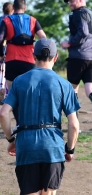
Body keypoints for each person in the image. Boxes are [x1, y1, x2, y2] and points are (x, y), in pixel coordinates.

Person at [0, 38, 80, 194]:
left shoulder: (19, 81)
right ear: (55, 57)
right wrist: (69, 149)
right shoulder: (64, 84)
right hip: (53, 147)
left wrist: (11, 140)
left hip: (26, 145)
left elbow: (3, 113)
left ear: (33, 55)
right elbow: (74, 124)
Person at [61, 0, 92, 137]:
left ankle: (75, 126)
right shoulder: (91, 14)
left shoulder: (78, 13)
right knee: (90, 89)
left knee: (72, 90)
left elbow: (83, 32)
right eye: (69, 1)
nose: (70, 3)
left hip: (79, 56)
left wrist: (69, 43)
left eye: (72, 0)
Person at [0, 0, 47, 125]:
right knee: (30, 93)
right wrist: (41, 55)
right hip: (29, 61)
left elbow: (0, 38)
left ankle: (20, 123)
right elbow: (43, 37)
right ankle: (33, 121)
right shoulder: (33, 20)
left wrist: (0, 54)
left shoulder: (6, 20)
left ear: (13, 8)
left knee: (13, 94)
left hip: (12, 61)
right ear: (25, 8)